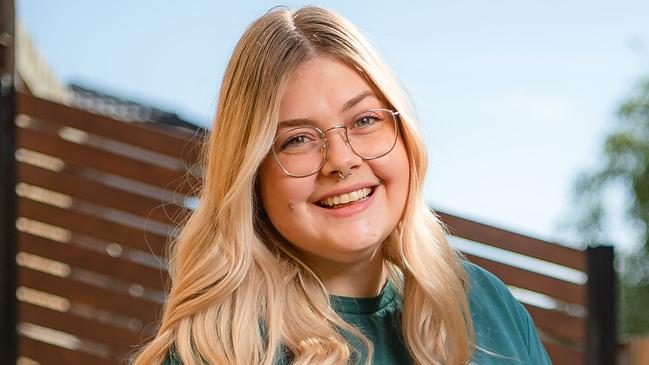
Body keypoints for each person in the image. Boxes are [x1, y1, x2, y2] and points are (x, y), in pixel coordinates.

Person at [131, 6, 552, 365]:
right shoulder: (214, 352)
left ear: (405, 135)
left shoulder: (489, 307)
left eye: (365, 120)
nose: (342, 160)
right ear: (251, 175)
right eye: (296, 140)